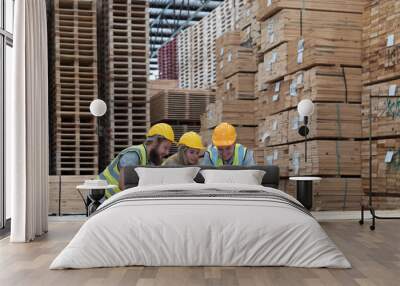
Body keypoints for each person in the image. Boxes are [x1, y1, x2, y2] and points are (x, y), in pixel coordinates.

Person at [98, 123, 175, 198]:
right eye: (165, 147)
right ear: (155, 143)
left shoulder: (151, 161)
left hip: (116, 200)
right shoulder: (133, 154)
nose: (167, 153)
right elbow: (124, 185)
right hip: (101, 197)